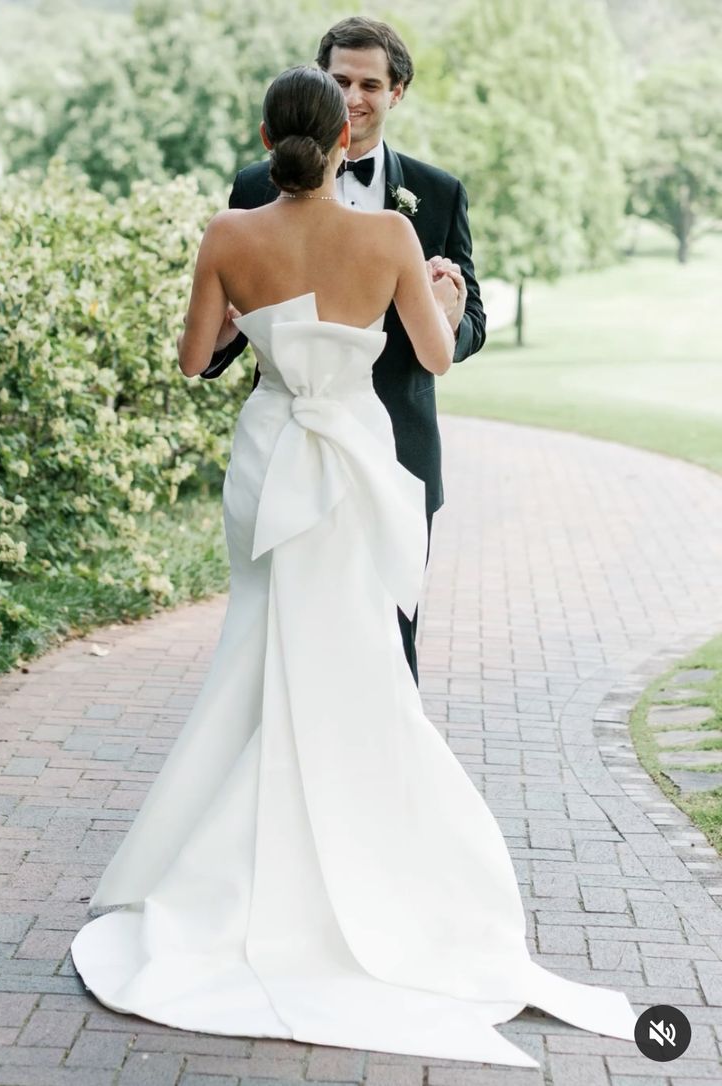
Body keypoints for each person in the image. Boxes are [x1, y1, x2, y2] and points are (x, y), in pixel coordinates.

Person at [70, 66, 637, 1068]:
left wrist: (257, 319)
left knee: (260, 651)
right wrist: (445, 292)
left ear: (267, 135)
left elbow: (195, 357)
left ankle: (243, 874)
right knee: (360, 658)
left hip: (271, 458)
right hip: (356, 468)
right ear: (341, 139)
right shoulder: (389, 237)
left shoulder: (226, 234)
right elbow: (434, 353)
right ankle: (367, 869)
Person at [201, 16, 486, 685]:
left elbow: (469, 315)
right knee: (284, 636)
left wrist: (452, 318)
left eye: (370, 84)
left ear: (398, 92)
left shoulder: (437, 193)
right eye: (339, 81)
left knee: (392, 646)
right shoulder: (253, 186)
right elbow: (228, 315)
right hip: (288, 451)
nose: (354, 97)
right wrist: (229, 338)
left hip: (399, 447)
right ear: (318, 85)